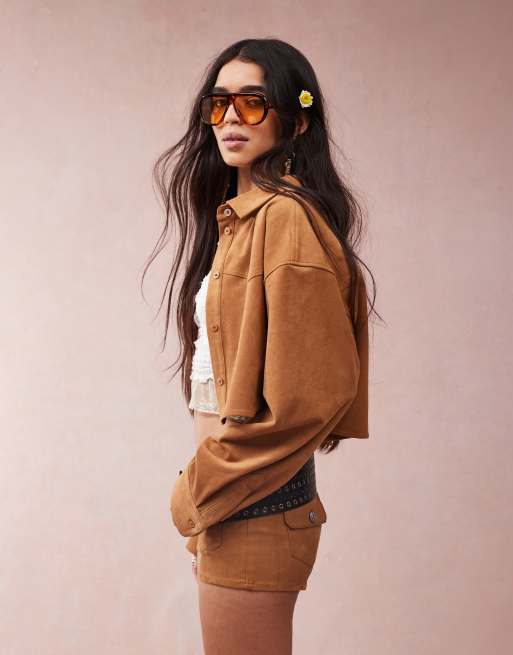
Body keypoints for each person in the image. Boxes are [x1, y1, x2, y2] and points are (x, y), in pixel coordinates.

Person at [146, 37, 380, 655]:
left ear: (296, 120)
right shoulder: (243, 217)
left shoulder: (284, 218)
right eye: (218, 103)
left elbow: (311, 397)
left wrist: (195, 492)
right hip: (236, 500)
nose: (230, 118)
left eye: (252, 103)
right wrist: (207, 500)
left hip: (254, 500)